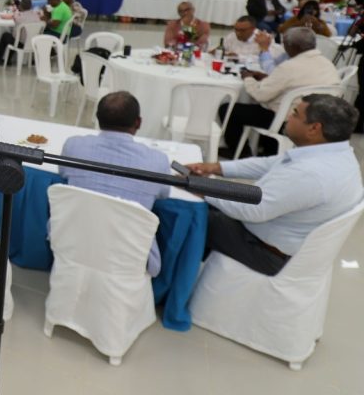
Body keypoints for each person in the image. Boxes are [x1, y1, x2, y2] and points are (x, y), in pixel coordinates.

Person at [188, 94, 362, 275]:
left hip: (265, 251)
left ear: (314, 128)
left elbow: (253, 210)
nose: (288, 117)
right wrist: (215, 168)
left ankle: (167, 288)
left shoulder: (311, 173)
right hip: (275, 236)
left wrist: (200, 188)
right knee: (200, 202)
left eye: (295, 114)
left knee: (182, 211)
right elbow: (270, 163)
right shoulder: (337, 154)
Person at [59, 92, 173, 276]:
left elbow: (63, 173)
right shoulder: (157, 161)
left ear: (97, 119)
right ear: (138, 122)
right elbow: (163, 195)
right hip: (130, 253)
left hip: (74, 239)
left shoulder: (73, 146)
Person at [224, 27, 340, 156]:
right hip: (319, 120)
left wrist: (248, 78)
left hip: (289, 120)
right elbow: (294, 83)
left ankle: (241, 154)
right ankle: (268, 150)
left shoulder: (290, 66)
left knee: (229, 110)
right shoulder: (327, 64)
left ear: (291, 46)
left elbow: (260, 95)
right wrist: (267, 78)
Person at [0, 0, 45, 64]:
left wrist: (16, 12)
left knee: (6, 36)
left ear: (21, 6)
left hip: (22, 43)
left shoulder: (19, 17)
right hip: (33, 42)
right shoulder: (37, 15)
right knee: (14, 37)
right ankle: (8, 60)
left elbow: (15, 34)